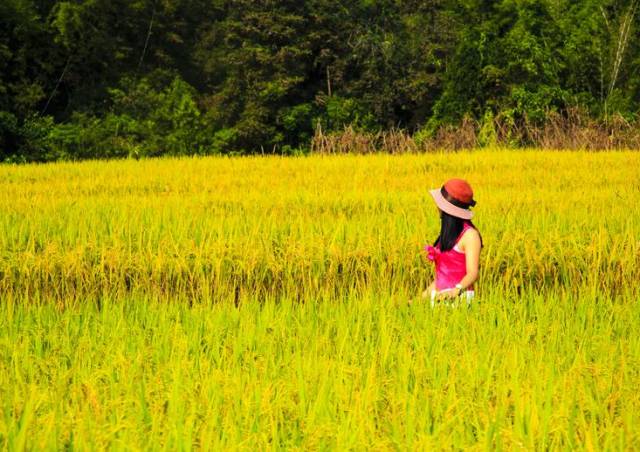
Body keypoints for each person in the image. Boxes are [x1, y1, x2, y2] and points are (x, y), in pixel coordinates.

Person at [422, 178, 482, 307]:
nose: (437, 207)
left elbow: (473, 272)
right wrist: (416, 301)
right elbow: (440, 279)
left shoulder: (470, 236)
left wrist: (456, 290)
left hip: (461, 301)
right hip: (438, 300)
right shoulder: (448, 236)